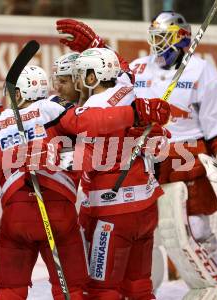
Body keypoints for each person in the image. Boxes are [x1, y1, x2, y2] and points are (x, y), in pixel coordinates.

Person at [0, 65, 171, 299]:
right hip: (59, 215)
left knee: (11, 290)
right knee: (72, 289)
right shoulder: (57, 109)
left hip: (16, 218)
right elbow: (95, 124)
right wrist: (135, 116)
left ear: (18, 93)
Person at [130, 12, 217, 299]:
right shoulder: (138, 68)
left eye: (163, 37)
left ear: (180, 40)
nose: (156, 43)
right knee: (146, 234)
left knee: (196, 231)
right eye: (154, 36)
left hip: (187, 158)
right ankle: (144, 293)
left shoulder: (202, 71)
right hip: (146, 162)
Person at [70, 47, 170, 299]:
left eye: (83, 73)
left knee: (104, 289)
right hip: (145, 207)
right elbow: (124, 68)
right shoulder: (129, 88)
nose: (80, 79)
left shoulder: (94, 106)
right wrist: (95, 42)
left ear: (94, 76)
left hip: (112, 214)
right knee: (139, 285)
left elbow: (85, 161)